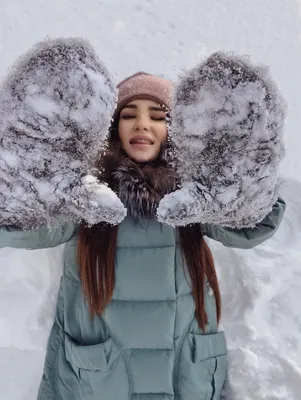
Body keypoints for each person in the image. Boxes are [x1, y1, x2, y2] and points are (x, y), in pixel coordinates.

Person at [0, 39, 286, 400]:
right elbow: (19, 229)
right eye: (129, 113)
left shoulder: (194, 195)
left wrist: (241, 179)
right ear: (111, 125)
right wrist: (29, 186)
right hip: (101, 380)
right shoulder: (86, 195)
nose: (142, 124)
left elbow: (251, 229)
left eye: (157, 115)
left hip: (187, 377)